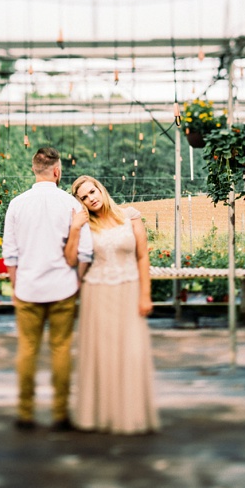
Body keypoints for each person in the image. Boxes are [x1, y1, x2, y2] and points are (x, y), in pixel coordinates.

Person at [1, 147, 93, 431]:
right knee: (61, 349)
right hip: (62, 287)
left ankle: (25, 413)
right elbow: (86, 253)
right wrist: (76, 281)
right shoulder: (72, 205)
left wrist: (17, 286)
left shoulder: (17, 204)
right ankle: (59, 414)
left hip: (28, 288)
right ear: (57, 171)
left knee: (27, 349)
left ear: (34, 169)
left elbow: (10, 254)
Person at [69, 175, 160, 434]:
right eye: (84, 198)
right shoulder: (85, 225)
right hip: (97, 293)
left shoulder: (130, 216)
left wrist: (145, 294)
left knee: (131, 351)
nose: (91, 198)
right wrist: (75, 228)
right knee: (102, 354)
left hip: (130, 289)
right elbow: (73, 258)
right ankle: (100, 415)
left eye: (92, 192)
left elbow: (142, 256)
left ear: (100, 188)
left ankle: (129, 414)